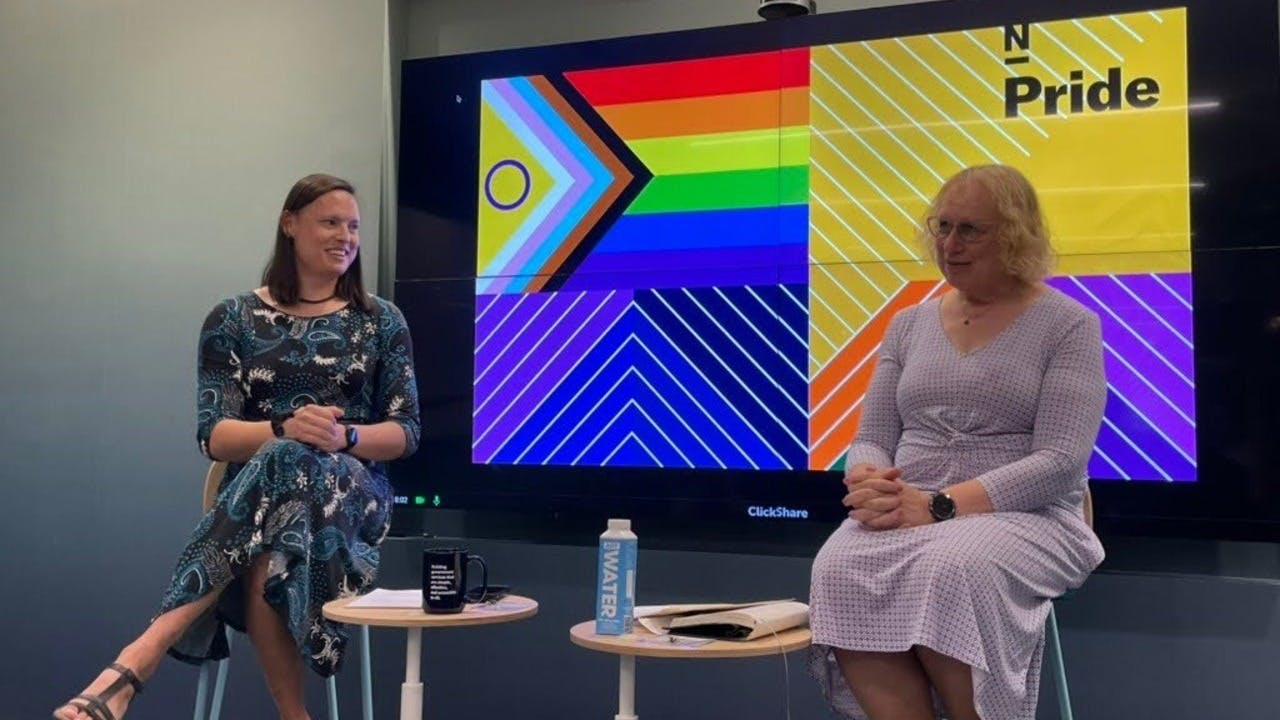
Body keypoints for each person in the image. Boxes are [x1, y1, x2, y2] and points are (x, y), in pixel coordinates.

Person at [54, 173, 420, 720]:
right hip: (263, 507)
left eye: (353, 226)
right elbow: (215, 436)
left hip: (352, 497)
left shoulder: (381, 321)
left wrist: (344, 436)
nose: (345, 235)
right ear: (289, 225)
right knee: (277, 509)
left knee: (287, 468)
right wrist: (284, 428)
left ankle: (139, 658)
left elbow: (406, 431)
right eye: (329, 222)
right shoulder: (232, 321)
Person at [808, 164, 1106, 720]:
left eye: (970, 229)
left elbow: (1062, 463)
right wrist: (871, 482)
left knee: (951, 567)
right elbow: (872, 436)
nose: (949, 244)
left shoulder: (1069, 325)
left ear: (1016, 235)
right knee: (838, 566)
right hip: (911, 506)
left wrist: (940, 506)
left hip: (1032, 515)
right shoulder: (906, 325)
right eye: (941, 226)